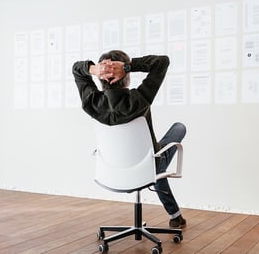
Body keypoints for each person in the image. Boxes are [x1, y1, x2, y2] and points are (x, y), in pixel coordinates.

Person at [72, 50, 186, 228]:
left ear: (100, 77)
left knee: (156, 160)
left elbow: (76, 69)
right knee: (179, 128)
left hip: (112, 171)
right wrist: (128, 66)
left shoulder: (91, 103)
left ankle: (175, 215)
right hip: (148, 166)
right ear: (127, 76)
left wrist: (94, 69)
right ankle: (174, 214)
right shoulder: (139, 99)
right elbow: (162, 62)